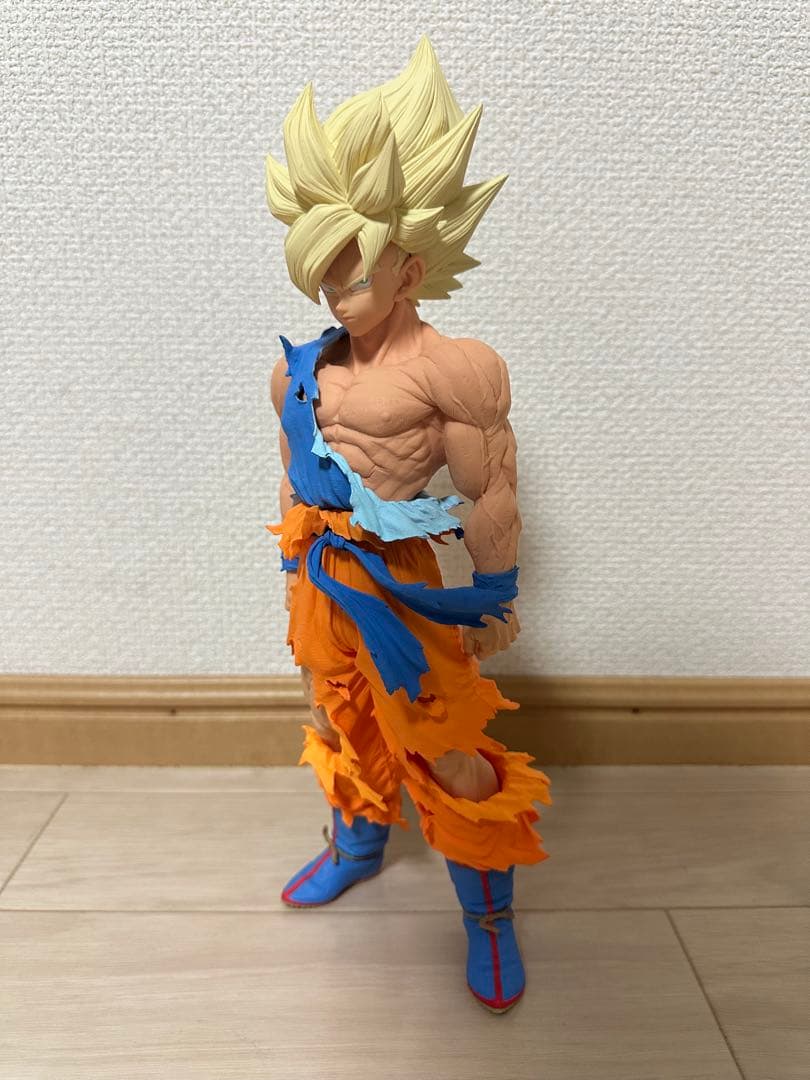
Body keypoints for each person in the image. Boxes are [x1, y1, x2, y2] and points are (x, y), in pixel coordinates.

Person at [264, 35, 552, 1014]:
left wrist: (493, 595)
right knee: (333, 712)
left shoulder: (454, 370)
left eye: (351, 275)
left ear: (410, 269)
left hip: (403, 582)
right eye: (321, 277)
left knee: (447, 740)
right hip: (322, 574)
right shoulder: (298, 371)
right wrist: (294, 578)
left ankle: (488, 912)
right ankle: (357, 845)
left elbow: (491, 490)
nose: (331, 295)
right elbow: (290, 480)